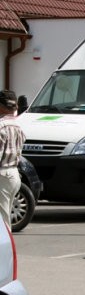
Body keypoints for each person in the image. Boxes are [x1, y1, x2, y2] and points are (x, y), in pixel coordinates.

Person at [0, 90, 26, 229]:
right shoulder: (18, 126)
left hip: (2, 175)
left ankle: (6, 250)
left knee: (3, 222)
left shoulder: (1, 125)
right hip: (14, 174)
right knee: (5, 217)